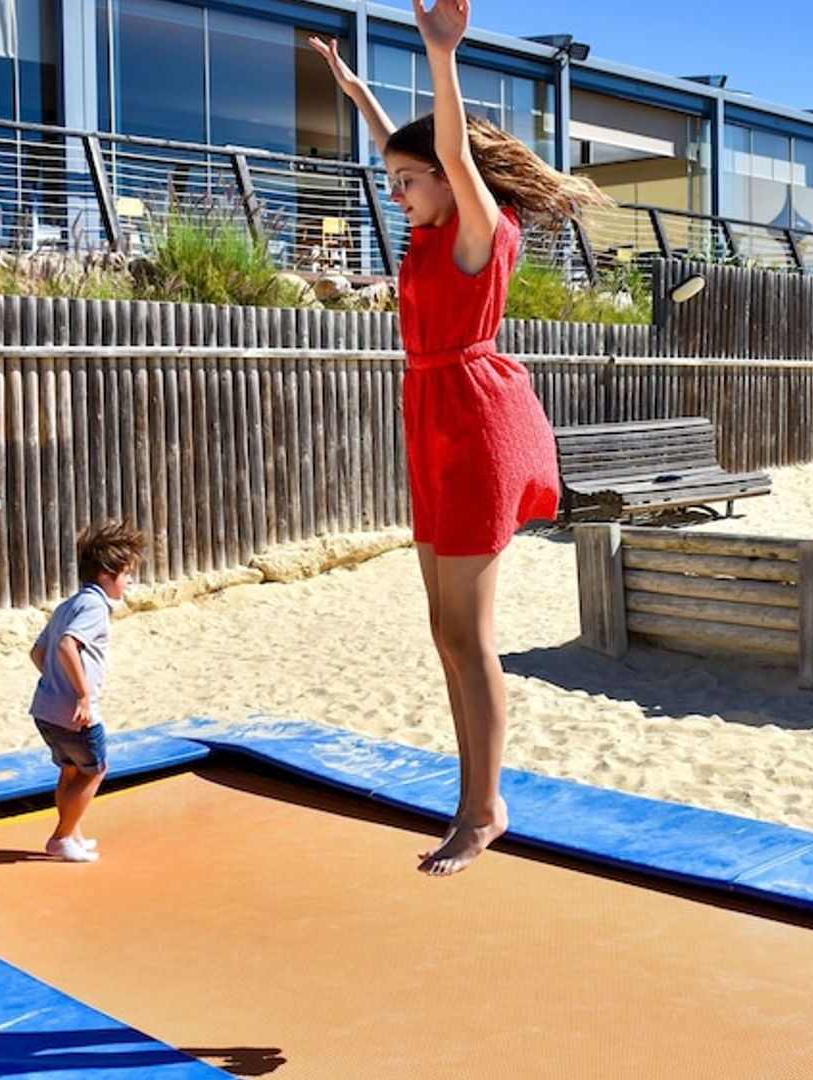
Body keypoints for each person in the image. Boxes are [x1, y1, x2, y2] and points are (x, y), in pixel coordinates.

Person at [310, 0, 607, 876]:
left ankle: (483, 808)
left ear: (450, 176)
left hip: (476, 420)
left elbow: (444, 152)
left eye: (407, 180)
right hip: (429, 416)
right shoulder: (429, 227)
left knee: (470, 636)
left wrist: (440, 55)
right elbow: (412, 152)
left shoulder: (479, 234)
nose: (394, 192)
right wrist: (361, 92)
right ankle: (470, 795)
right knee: (443, 631)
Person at [28, 520, 145, 863]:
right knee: (96, 769)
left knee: (70, 771)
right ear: (107, 574)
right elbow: (66, 645)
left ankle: (72, 833)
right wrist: (79, 694)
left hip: (46, 709)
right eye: (127, 575)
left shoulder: (68, 605)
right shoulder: (95, 608)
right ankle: (61, 837)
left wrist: (56, 683)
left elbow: (38, 653)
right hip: (76, 712)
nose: (129, 582)